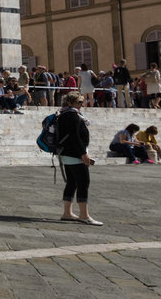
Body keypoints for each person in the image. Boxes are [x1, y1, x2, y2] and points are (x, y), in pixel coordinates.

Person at [56, 91, 101, 224]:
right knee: (83, 182)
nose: (81, 105)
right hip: (75, 154)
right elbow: (75, 136)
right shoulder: (72, 115)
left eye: (82, 102)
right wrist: (83, 153)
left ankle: (67, 213)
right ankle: (84, 215)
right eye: (79, 102)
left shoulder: (64, 114)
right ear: (70, 102)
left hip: (67, 153)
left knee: (72, 182)